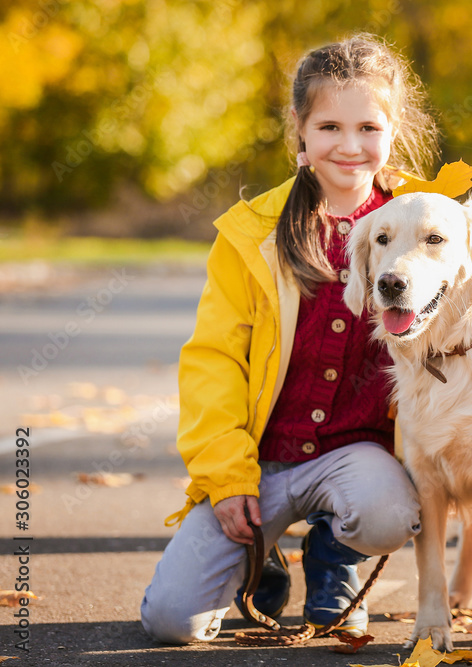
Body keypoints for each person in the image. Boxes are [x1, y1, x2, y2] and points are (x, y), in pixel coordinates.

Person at [141, 34, 439, 644]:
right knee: (172, 623)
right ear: (300, 131)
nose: (350, 147)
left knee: (389, 514)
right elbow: (214, 361)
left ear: (392, 131)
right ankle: (263, 560)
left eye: (368, 128)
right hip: (262, 460)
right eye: (330, 126)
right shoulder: (252, 234)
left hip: (361, 457)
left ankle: (336, 554)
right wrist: (227, 479)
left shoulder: (425, 225)